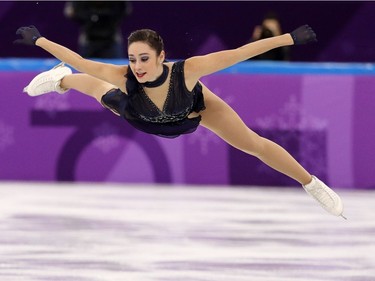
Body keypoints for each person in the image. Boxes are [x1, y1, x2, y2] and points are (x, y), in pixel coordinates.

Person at [14, 24, 345, 219]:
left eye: (144, 58)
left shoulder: (188, 71)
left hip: (192, 112)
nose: (138, 66)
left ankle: (311, 184)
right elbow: (81, 60)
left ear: (161, 56)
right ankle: (59, 80)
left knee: (252, 143)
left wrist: (288, 38)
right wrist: (40, 40)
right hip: (143, 116)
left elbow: (240, 52)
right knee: (92, 84)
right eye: (133, 58)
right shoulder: (126, 76)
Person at [63, 1, 132, 58]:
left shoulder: (118, 4)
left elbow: (126, 9)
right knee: (84, 69)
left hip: (112, 39)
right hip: (88, 40)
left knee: (117, 70)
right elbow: (70, 12)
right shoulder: (79, 4)